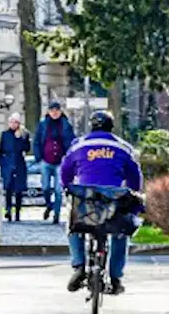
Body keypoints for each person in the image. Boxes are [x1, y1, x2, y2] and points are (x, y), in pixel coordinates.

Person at [61, 110, 142, 295]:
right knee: (121, 234)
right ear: (111, 126)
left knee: (73, 226)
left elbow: (65, 171)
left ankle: (79, 265)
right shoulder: (123, 147)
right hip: (113, 202)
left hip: (85, 200)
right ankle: (115, 277)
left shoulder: (78, 145)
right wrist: (134, 197)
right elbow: (134, 177)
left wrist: (67, 187)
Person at [33, 101, 76, 224]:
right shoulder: (43, 124)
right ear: (49, 112)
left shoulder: (66, 125)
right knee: (45, 187)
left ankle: (56, 215)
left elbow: (71, 142)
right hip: (46, 161)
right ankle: (49, 205)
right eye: (52, 110)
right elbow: (37, 141)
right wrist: (38, 157)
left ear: (60, 111)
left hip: (60, 162)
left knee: (58, 190)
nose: (54, 113)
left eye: (57, 110)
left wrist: (69, 158)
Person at [0, 113, 31, 221]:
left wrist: (19, 139)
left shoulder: (23, 134)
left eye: (16, 122)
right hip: (8, 164)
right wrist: (2, 163)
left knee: (18, 190)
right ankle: (8, 210)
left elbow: (26, 148)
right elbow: (1, 150)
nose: (13, 124)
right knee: (8, 188)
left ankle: (17, 212)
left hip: (19, 164)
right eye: (11, 122)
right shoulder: (5, 134)